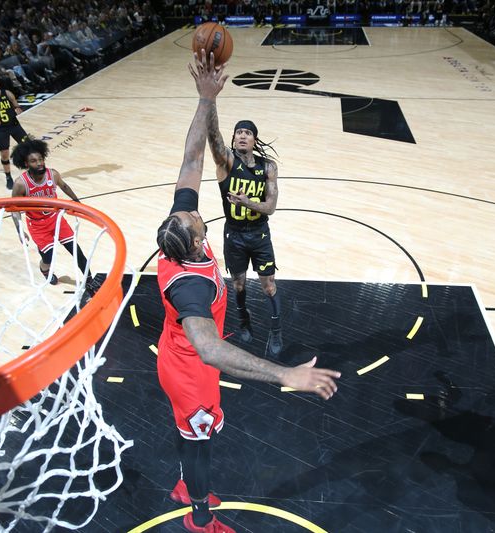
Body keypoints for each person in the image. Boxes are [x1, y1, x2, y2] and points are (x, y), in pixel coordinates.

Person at [156, 51, 340, 533]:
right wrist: (285, 376)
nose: (192, 207)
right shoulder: (190, 282)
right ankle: (198, 516)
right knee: (199, 445)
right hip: (191, 370)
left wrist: (205, 98)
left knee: (193, 439)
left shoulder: (181, 239)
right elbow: (211, 349)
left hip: (190, 361)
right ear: (196, 237)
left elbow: (192, 156)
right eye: (191, 214)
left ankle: (186, 485)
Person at [205, 100, 283, 356]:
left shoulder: (268, 167)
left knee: (269, 286)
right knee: (238, 285)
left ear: (254, 140)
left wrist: (246, 201)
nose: (242, 136)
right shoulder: (226, 162)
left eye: (247, 133)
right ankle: (244, 320)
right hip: (234, 234)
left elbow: (270, 207)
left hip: (259, 234)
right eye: (238, 132)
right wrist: (209, 99)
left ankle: (276, 329)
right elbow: (213, 136)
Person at [10, 137, 98, 294]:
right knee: (48, 258)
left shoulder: (53, 174)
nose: (39, 163)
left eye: (41, 159)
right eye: (34, 161)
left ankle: (89, 280)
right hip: (38, 226)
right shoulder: (20, 184)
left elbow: (64, 186)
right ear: (26, 164)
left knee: (77, 251)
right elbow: (14, 208)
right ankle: (44, 270)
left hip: (56, 220)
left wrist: (78, 203)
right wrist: (19, 230)